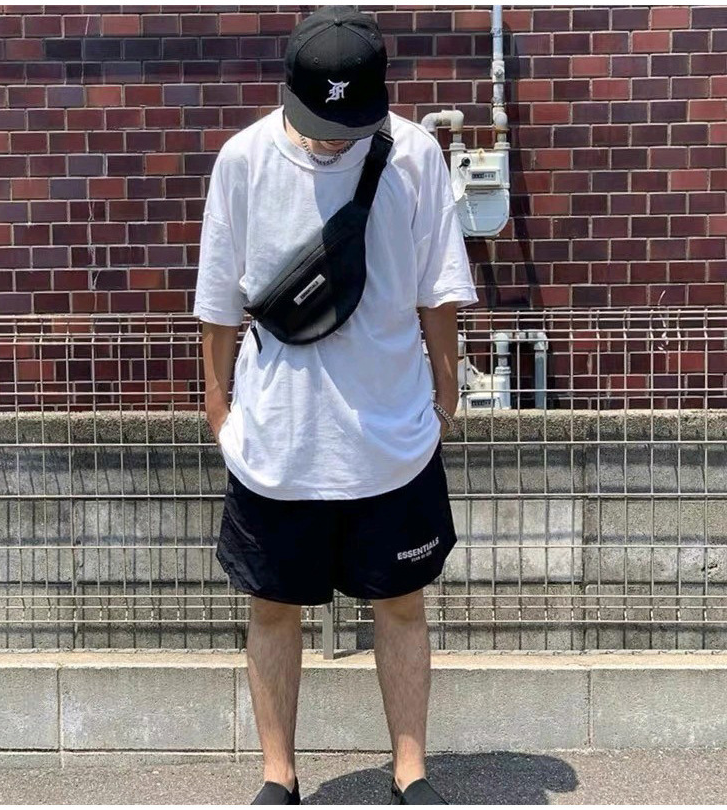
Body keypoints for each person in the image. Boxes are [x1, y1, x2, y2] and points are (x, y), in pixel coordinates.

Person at [193, 6, 478, 805]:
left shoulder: (414, 155)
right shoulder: (244, 160)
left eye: (347, 127)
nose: (331, 141)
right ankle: (277, 776)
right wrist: (219, 409)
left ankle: (410, 770)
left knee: (402, 603)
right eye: (320, 125)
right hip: (278, 438)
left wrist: (445, 393)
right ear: (288, 92)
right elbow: (217, 300)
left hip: (391, 432)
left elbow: (439, 287)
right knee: (272, 608)